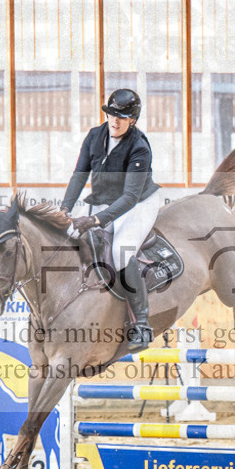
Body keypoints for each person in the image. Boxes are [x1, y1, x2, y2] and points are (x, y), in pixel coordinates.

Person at [62, 88, 159, 352]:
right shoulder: (95, 135)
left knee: (120, 251)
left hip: (138, 204)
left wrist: (94, 220)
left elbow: (129, 198)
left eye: (121, 117)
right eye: (111, 114)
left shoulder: (139, 147)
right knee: (69, 236)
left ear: (133, 120)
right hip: (105, 199)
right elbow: (79, 175)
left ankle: (141, 323)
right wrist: (65, 210)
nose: (114, 121)